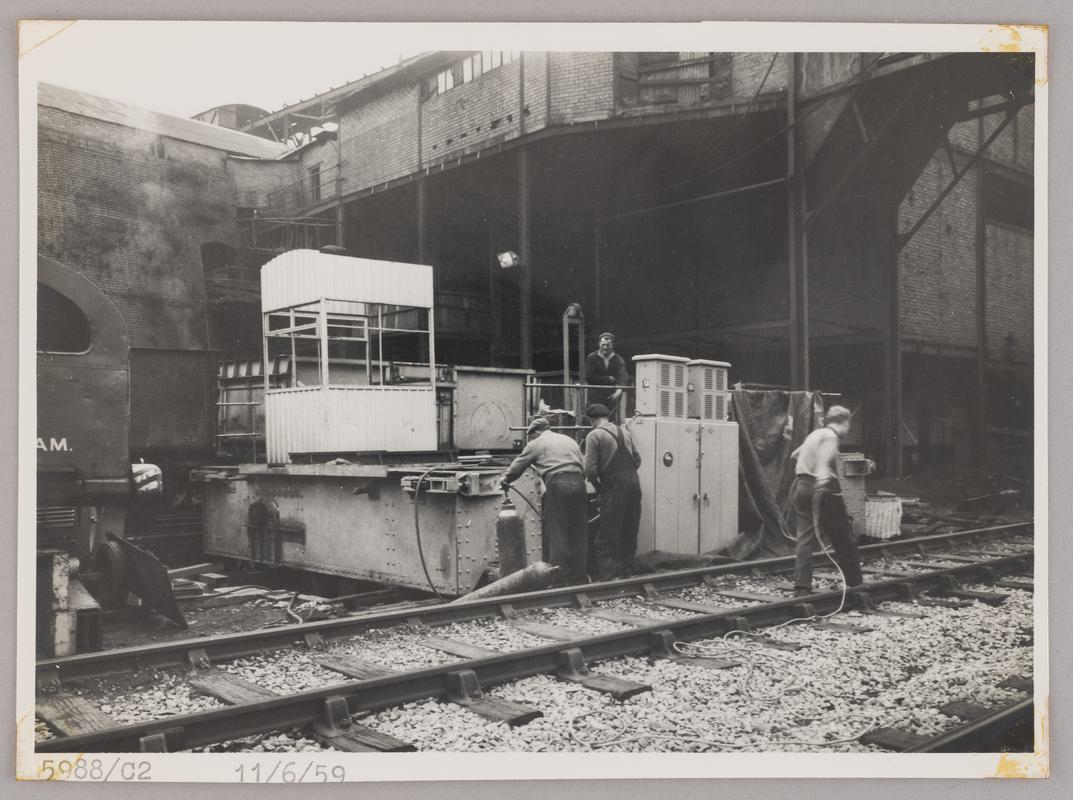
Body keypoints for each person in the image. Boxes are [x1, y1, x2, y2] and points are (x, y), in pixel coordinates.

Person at [500, 417, 589, 585]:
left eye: (531, 436)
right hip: (579, 485)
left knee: (557, 533)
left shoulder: (536, 444)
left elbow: (517, 466)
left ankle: (559, 580)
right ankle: (579, 578)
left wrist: (504, 480)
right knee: (578, 533)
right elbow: (583, 466)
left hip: (558, 485)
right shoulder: (569, 440)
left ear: (536, 433)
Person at [789, 405, 863, 595]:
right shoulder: (830, 437)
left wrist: (807, 469)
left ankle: (802, 587)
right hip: (822, 489)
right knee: (843, 535)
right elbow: (822, 463)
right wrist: (822, 480)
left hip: (801, 486)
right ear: (844, 422)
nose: (848, 430)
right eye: (848, 426)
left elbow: (794, 455)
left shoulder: (815, 434)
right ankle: (855, 583)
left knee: (804, 539)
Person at [583, 403, 642, 581]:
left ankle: (610, 576)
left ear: (592, 419)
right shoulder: (625, 432)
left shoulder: (594, 435)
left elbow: (590, 470)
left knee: (608, 533)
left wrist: (599, 488)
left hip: (614, 487)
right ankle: (627, 571)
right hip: (634, 486)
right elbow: (637, 460)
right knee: (629, 529)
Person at [585, 332, 629, 422]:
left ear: (612, 345)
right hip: (595, 395)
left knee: (609, 419)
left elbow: (623, 375)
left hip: (610, 395)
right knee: (595, 418)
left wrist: (620, 389)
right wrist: (608, 379)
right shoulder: (592, 357)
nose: (605, 347)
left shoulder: (618, 359)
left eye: (608, 345)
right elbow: (589, 377)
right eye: (603, 345)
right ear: (599, 344)